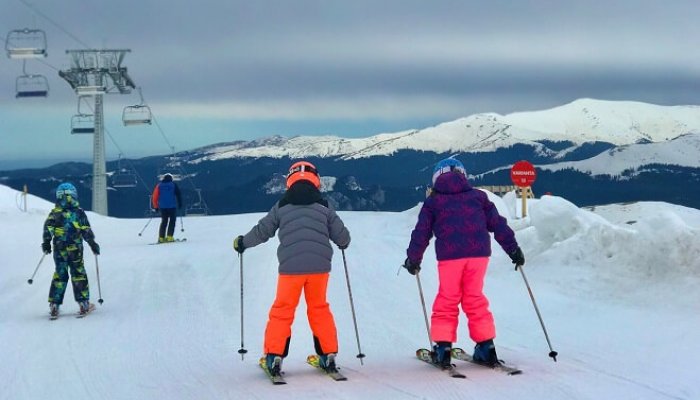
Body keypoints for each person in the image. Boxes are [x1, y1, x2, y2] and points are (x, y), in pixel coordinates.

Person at [403, 157, 525, 368]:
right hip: (479, 255)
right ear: (463, 175)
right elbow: (498, 224)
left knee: (447, 299)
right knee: (474, 298)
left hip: (450, 257)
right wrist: (513, 249)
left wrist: (413, 259)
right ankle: (486, 347)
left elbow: (421, 233)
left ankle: (443, 349)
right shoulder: (478, 197)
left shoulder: (433, 202)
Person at [233, 160, 351, 377]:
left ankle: (274, 358)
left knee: (283, 311)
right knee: (319, 309)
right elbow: (342, 237)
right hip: (320, 269)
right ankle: (328, 355)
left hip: (290, 269)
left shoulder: (282, 206)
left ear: (290, 179)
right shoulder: (324, 206)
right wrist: (343, 243)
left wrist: (242, 242)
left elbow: (262, 231)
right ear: (315, 179)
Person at [42, 182, 100, 318]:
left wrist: (46, 242)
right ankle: (84, 303)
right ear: (74, 195)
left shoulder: (55, 213)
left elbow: (48, 228)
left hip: (59, 249)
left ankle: (54, 305)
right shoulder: (78, 212)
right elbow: (85, 229)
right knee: (78, 273)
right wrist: (92, 242)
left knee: (60, 274)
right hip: (75, 249)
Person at [151, 173, 182, 243]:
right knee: (172, 221)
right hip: (172, 206)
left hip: (163, 207)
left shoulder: (159, 186)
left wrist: (155, 206)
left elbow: (155, 197)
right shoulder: (173, 185)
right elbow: (178, 194)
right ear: (171, 179)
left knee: (164, 222)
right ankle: (169, 237)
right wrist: (180, 204)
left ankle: (161, 238)